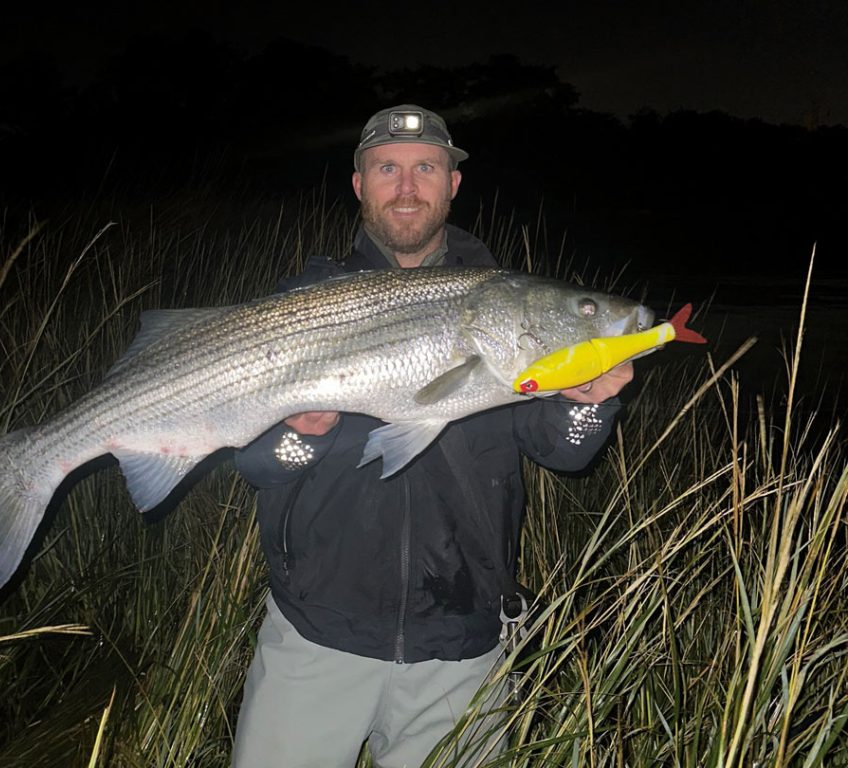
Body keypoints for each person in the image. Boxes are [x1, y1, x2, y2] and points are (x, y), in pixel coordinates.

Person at [230, 104, 634, 767]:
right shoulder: (304, 301)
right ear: (360, 185)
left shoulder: (514, 306)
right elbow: (262, 464)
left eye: (427, 168)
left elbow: (565, 449)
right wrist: (302, 436)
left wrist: (590, 402)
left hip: (461, 645)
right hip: (318, 636)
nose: (408, 187)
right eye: (387, 168)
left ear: (453, 185)